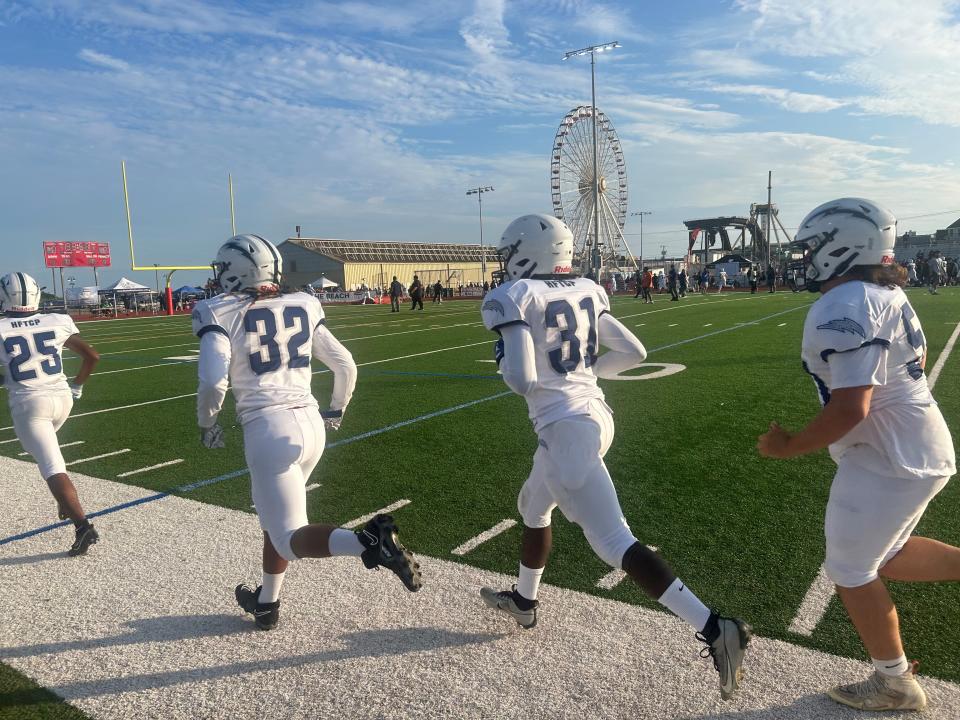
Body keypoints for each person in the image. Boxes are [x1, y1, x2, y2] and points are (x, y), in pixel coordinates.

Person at [479, 214, 751, 701]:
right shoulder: (587, 288)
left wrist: (512, 365)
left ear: (526, 252)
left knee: (613, 542)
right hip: (595, 417)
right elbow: (635, 350)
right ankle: (523, 599)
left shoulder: (515, 297)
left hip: (567, 432)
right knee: (533, 507)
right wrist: (587, 373)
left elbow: (520, 378)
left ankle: (715, 628)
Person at [757, 199, 957, 712]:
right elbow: (918, 357)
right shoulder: (882, 292)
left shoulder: (844, 304)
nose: (804, 257)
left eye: (811, 247)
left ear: (842, 247)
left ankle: (894, 681)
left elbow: (852, 407)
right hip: (910, 442)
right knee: (886, 553)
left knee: (849, 568)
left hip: (891, 455)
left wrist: (789, 446)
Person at [193, 234, 421, 630]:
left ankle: (368, 543)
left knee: (288, 537)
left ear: (234, 271)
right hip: (312, 424)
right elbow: (346, 365)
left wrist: (207, 422)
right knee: (277, 520)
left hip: (268, 429)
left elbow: (214, 381)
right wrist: (337, 410)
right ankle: (267, 603)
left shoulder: (218, 310)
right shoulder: (303, 302)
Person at [0, 272, 100, 555]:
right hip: (63, 399)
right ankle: (64, 502)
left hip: (30, 405)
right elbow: (92, 356)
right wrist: (78, 386)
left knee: (53, 468)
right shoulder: (57, 320)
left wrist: (7, 379)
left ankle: (83, 526)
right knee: (51, 458)